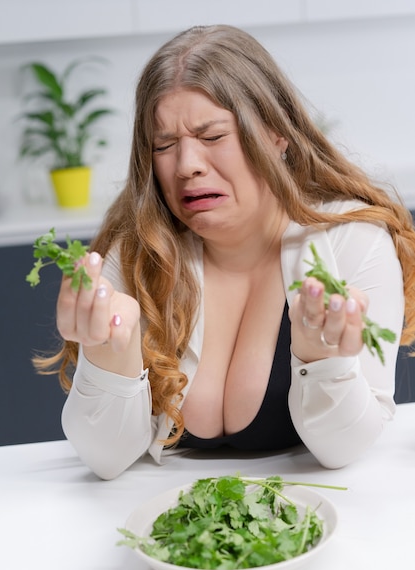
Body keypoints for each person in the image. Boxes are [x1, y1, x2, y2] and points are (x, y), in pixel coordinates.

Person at [47, 24, 415, 480]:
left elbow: (346, 447)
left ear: (277, 134)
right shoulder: (140, 255)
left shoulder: (351, 240)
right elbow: (105, 459)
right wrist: (107, 357)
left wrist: (324, 362)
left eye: (213, 136)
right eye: (164, 145)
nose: (187, 166)